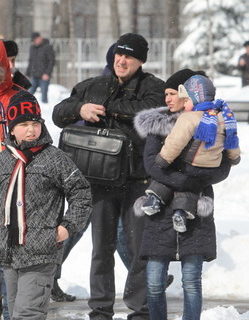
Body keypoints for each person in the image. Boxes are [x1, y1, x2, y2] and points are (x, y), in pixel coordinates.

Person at [53, 32, 165, 320]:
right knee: (101, 249)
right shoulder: (95, 85)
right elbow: (58, 113)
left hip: (138, 182)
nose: (122, 60)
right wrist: (81, 108)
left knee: (139, 249)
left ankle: (140, 310)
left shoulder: (153, 87)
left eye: (129, 56)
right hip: (99, 183)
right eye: (118, 54)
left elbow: (150, 112)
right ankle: (100, 310)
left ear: (140, 61)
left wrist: (110, 108)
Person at [0, 90, 92, 320]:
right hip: (8, 254)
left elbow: (81, 193)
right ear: (11, 128)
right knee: (15, 312)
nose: (31, 129)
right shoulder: (1, 161)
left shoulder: (54, 158)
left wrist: (67, 227)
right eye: (24, 124)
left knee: (28, 314)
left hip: (40, 253)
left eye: (35, 123)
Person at [134, 69, 233, 320]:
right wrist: (189, 180)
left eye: (172, 93)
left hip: (194, 211)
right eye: (165, 94)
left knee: (191, 281)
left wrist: (188, 180)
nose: (167, 99)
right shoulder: (159, 124)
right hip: (161, 209)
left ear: (187, 95)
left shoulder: (212, 122)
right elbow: (152, 165)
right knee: (155, 281)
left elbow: (222, 168)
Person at [141, 74, 241, 232]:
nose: (167, 99)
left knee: (168, 177)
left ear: (194, 99)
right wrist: (235, 158)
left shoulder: (188, 118)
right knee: (190, 187)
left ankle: (155, 198)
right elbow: (232, 140)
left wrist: (164, 160)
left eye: (184, 99)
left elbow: (175, 142)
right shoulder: (224, 117)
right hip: (210, 166)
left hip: (189, 164)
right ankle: (180, 212)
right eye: (165, 94)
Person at [26, 31, 55, 104]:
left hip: (43, 76)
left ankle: (45, 110)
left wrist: (47, 73)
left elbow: (51, 61)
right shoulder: (32, 48)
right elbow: (30, 61)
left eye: (34, 40)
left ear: (39, 38)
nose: (33, 42)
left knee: (44, 96)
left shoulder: (47, 47)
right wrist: (27, 74)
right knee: (28, 94)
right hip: (34, 75)